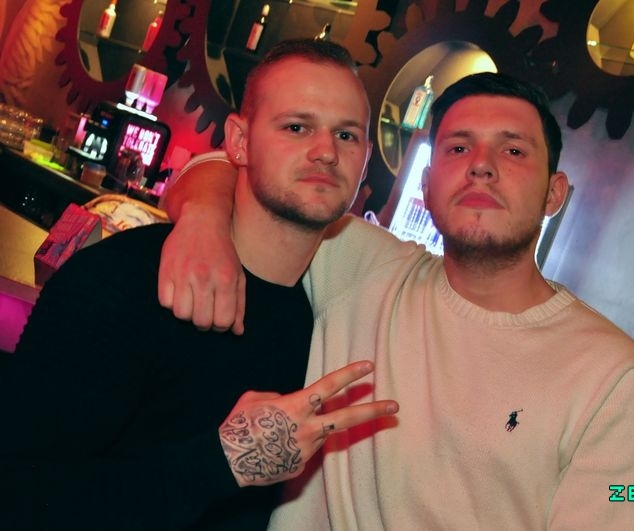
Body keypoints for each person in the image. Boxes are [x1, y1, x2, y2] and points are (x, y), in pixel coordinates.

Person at [159, 72, 634, 529]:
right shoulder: (358, 264)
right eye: (458, 148)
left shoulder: (613, 377)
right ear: (426, 184)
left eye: (513, 151)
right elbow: (229, 165)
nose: (482, 167)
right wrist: (203, 221)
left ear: (554, 194)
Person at [0, 39, 398, 530]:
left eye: (346, 135)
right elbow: (17, 497)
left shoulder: (319, 319)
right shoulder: (123, 279)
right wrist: (221, 462)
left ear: (364, 163)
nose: (326, 152)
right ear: (239, 141)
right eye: (297, 127)